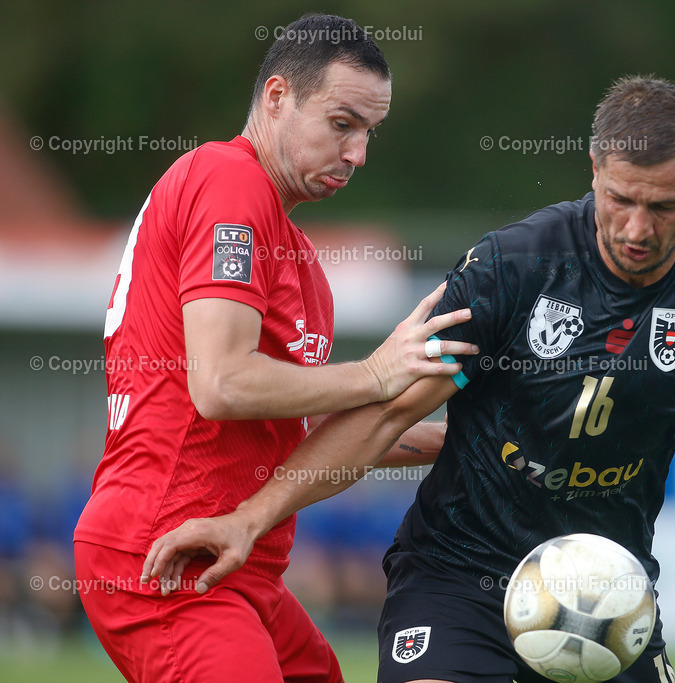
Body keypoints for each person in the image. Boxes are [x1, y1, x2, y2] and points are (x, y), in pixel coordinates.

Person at [142, 76, 675, 683]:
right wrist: (250, 518)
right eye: (620, 199)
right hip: (458, 577)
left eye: (665, 208)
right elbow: (387, 414)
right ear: (592, 169)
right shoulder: (513, 265)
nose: (637, 229)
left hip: (609, 587)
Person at [73, 13, 477, 683]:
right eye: (342, 124)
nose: (358, 154)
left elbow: (294, 427)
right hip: (167, 552)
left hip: (235, 559)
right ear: (277, 97)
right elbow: (222, 383)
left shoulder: (302, 261)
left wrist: (450, 439)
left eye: (369, 133)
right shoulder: (230, 180)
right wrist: (376, 375)